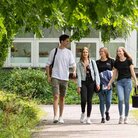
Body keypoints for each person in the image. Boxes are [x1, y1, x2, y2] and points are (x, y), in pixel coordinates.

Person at [46, 34, 76, 124]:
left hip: (65, 78)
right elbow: (47, 65)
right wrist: (48, 76)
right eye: (67, 41)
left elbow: (73, 64)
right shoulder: (54, 51)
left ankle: (61, 116)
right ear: (62, 41)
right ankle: (55, 116)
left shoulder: (69, 52)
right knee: (56, 96)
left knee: (62, 97)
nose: (68, 42)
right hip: (55, 76)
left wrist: (74, 71)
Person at [108, 47, 138, 124]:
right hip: (119, 83)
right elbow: (114, 75)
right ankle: (121, 116)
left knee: (127, 100)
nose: (119, 52)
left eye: (120, 51)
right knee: (121, 99)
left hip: (128, 82)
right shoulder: (116, 62)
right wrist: (110, 83)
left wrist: (136, 81)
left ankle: (126, 117)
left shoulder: (129, 61)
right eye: (118, 51)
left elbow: (132, 72)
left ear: (123, 52)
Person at [77, 47, 100, 124]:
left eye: (86, 52)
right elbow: (79, 76)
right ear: (82, 54)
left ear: (88, 53)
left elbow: (96, 73)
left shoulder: (92, 62)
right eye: (83, 52)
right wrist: (79, 86)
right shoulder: (79, 63)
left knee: (89, 100)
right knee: (83, 99)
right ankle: (83, 113)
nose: (85, 53)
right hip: (83, 82)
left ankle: (88, 118)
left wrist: (97, 83)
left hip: (91, 82)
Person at [96, 47, 114, 123]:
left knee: (108, 101)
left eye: (102, 51)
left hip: (109, 83)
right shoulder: (97, 62)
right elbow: (96, 74)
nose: (101, 53)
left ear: (106, 52)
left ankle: (107, 111)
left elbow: (115, 71)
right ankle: (102, 117)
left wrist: (110, 76)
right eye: (100, 51)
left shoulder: (111, 61)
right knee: (101, 101)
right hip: (100, 84)